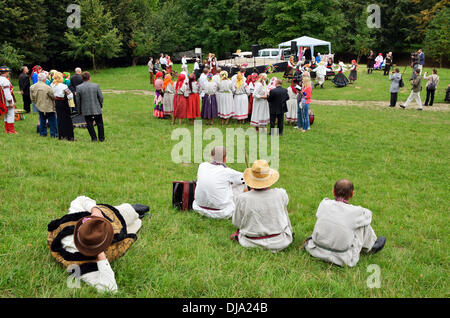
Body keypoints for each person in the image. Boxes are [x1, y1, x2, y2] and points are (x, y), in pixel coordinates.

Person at [47, 196, 149, 293]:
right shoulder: (79, 263)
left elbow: (81, 199)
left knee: (128, 211)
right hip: (112, 235)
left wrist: (95, 210)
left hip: (107, 215)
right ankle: (138, 218)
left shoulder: (76, 216)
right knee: (135, 225)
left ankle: (133, 211)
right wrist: (100, 255)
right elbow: (110, 288)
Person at [304, 179, 386, 267]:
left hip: (315, 250)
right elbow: (369, 215)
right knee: (363, 225)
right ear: (352, 194)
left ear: (333, 192)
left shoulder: (324, 203)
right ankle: (371, 246)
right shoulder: (356, 212)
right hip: (342, 258)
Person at [231, 160, 293, 252]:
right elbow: (284, 204)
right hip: (280, 241)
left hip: (250, 242)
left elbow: (236, 222)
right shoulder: (281, 194)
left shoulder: (242, 198)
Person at [193, 146, 245, 219]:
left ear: (211, 156)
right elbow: (246, 178)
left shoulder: (202, 166)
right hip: (222, 213)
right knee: (242, 185)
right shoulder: (227, 172)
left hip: (199, 208)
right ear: (225, 159)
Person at [76, 72, 105, 141]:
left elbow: (78, 101)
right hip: (96, 108)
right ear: (90, 78)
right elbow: (101, 97)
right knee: (100, 123)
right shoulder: (96, 86)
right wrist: (100, 105)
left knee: (89, 124)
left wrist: (79, 110)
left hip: (86, 109)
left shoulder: (79, 87)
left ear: (82, 78)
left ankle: (94, 138)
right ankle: (101, 138)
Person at [30, 72, 57, 137]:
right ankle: (54, 134)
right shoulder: (47, 87)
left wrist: (36, 103)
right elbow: (53, 97)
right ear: (44, 79)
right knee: (52, 120)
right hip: (48, 106)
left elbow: (32, 98)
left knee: (42, 120)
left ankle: (43, 133)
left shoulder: (32, 87)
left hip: (39, 105)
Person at [52, 72, 75, 141]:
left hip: (57, 103)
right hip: (64, 103)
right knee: (67, 120)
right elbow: (70, 96)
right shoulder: (63, 86)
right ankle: (70, 137)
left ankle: (61, 136)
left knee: (60, 119)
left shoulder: (52, 85)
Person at [0, 66, 17, 134]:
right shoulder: (5, 80)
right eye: (8, 72)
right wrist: (10, 102)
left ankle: (6, 129)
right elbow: (7, 92)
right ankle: (11, 130)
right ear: (6, 72)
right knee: (10, 114)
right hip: (6, 101)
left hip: (2, 101)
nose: (8, 73)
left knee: (6, 115)